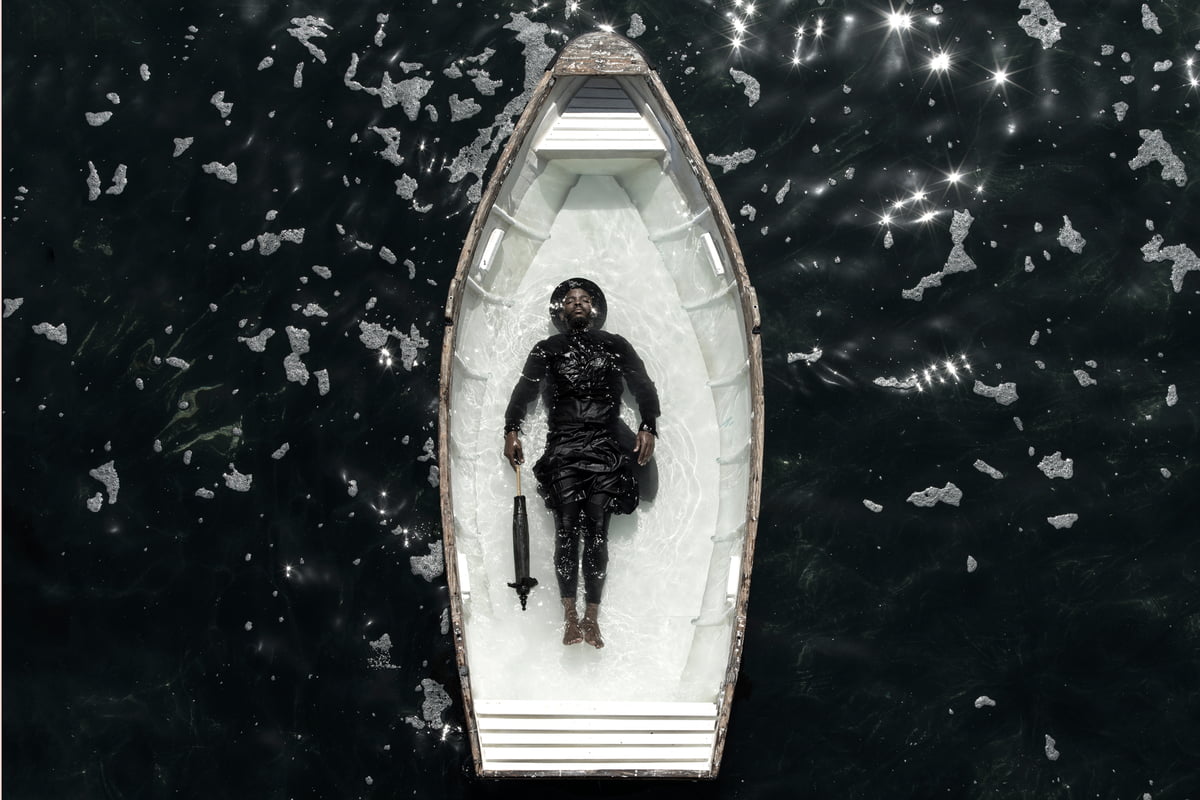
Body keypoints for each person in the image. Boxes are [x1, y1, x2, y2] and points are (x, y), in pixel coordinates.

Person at [504, 278, 659, 649]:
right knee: (567, 530)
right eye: (571, 300)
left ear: (595, 310)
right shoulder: (546, 349)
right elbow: (524, 391)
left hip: (605, 445)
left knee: (597, 533)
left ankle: (593, 619)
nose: (577, 303)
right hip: (564, 447)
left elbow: (643, 386)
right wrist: (511, 430)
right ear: (560, 311)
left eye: (585, 299)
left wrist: (648, 424)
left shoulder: (615, 345)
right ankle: (569, 618)